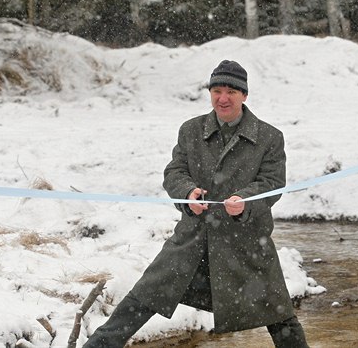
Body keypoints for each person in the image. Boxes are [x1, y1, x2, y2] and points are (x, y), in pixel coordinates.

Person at [84, 60, 309, 347]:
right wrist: (188, 193)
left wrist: (245, 201)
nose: (223, 98)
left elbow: (272, 183)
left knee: (280, 318)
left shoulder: (269, 137)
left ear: (244, 95)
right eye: (217, 90)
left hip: (247, 245)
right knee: (142, 298)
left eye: (231, 91)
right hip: (191, 241)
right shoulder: (190, 130)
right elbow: (175, 172)